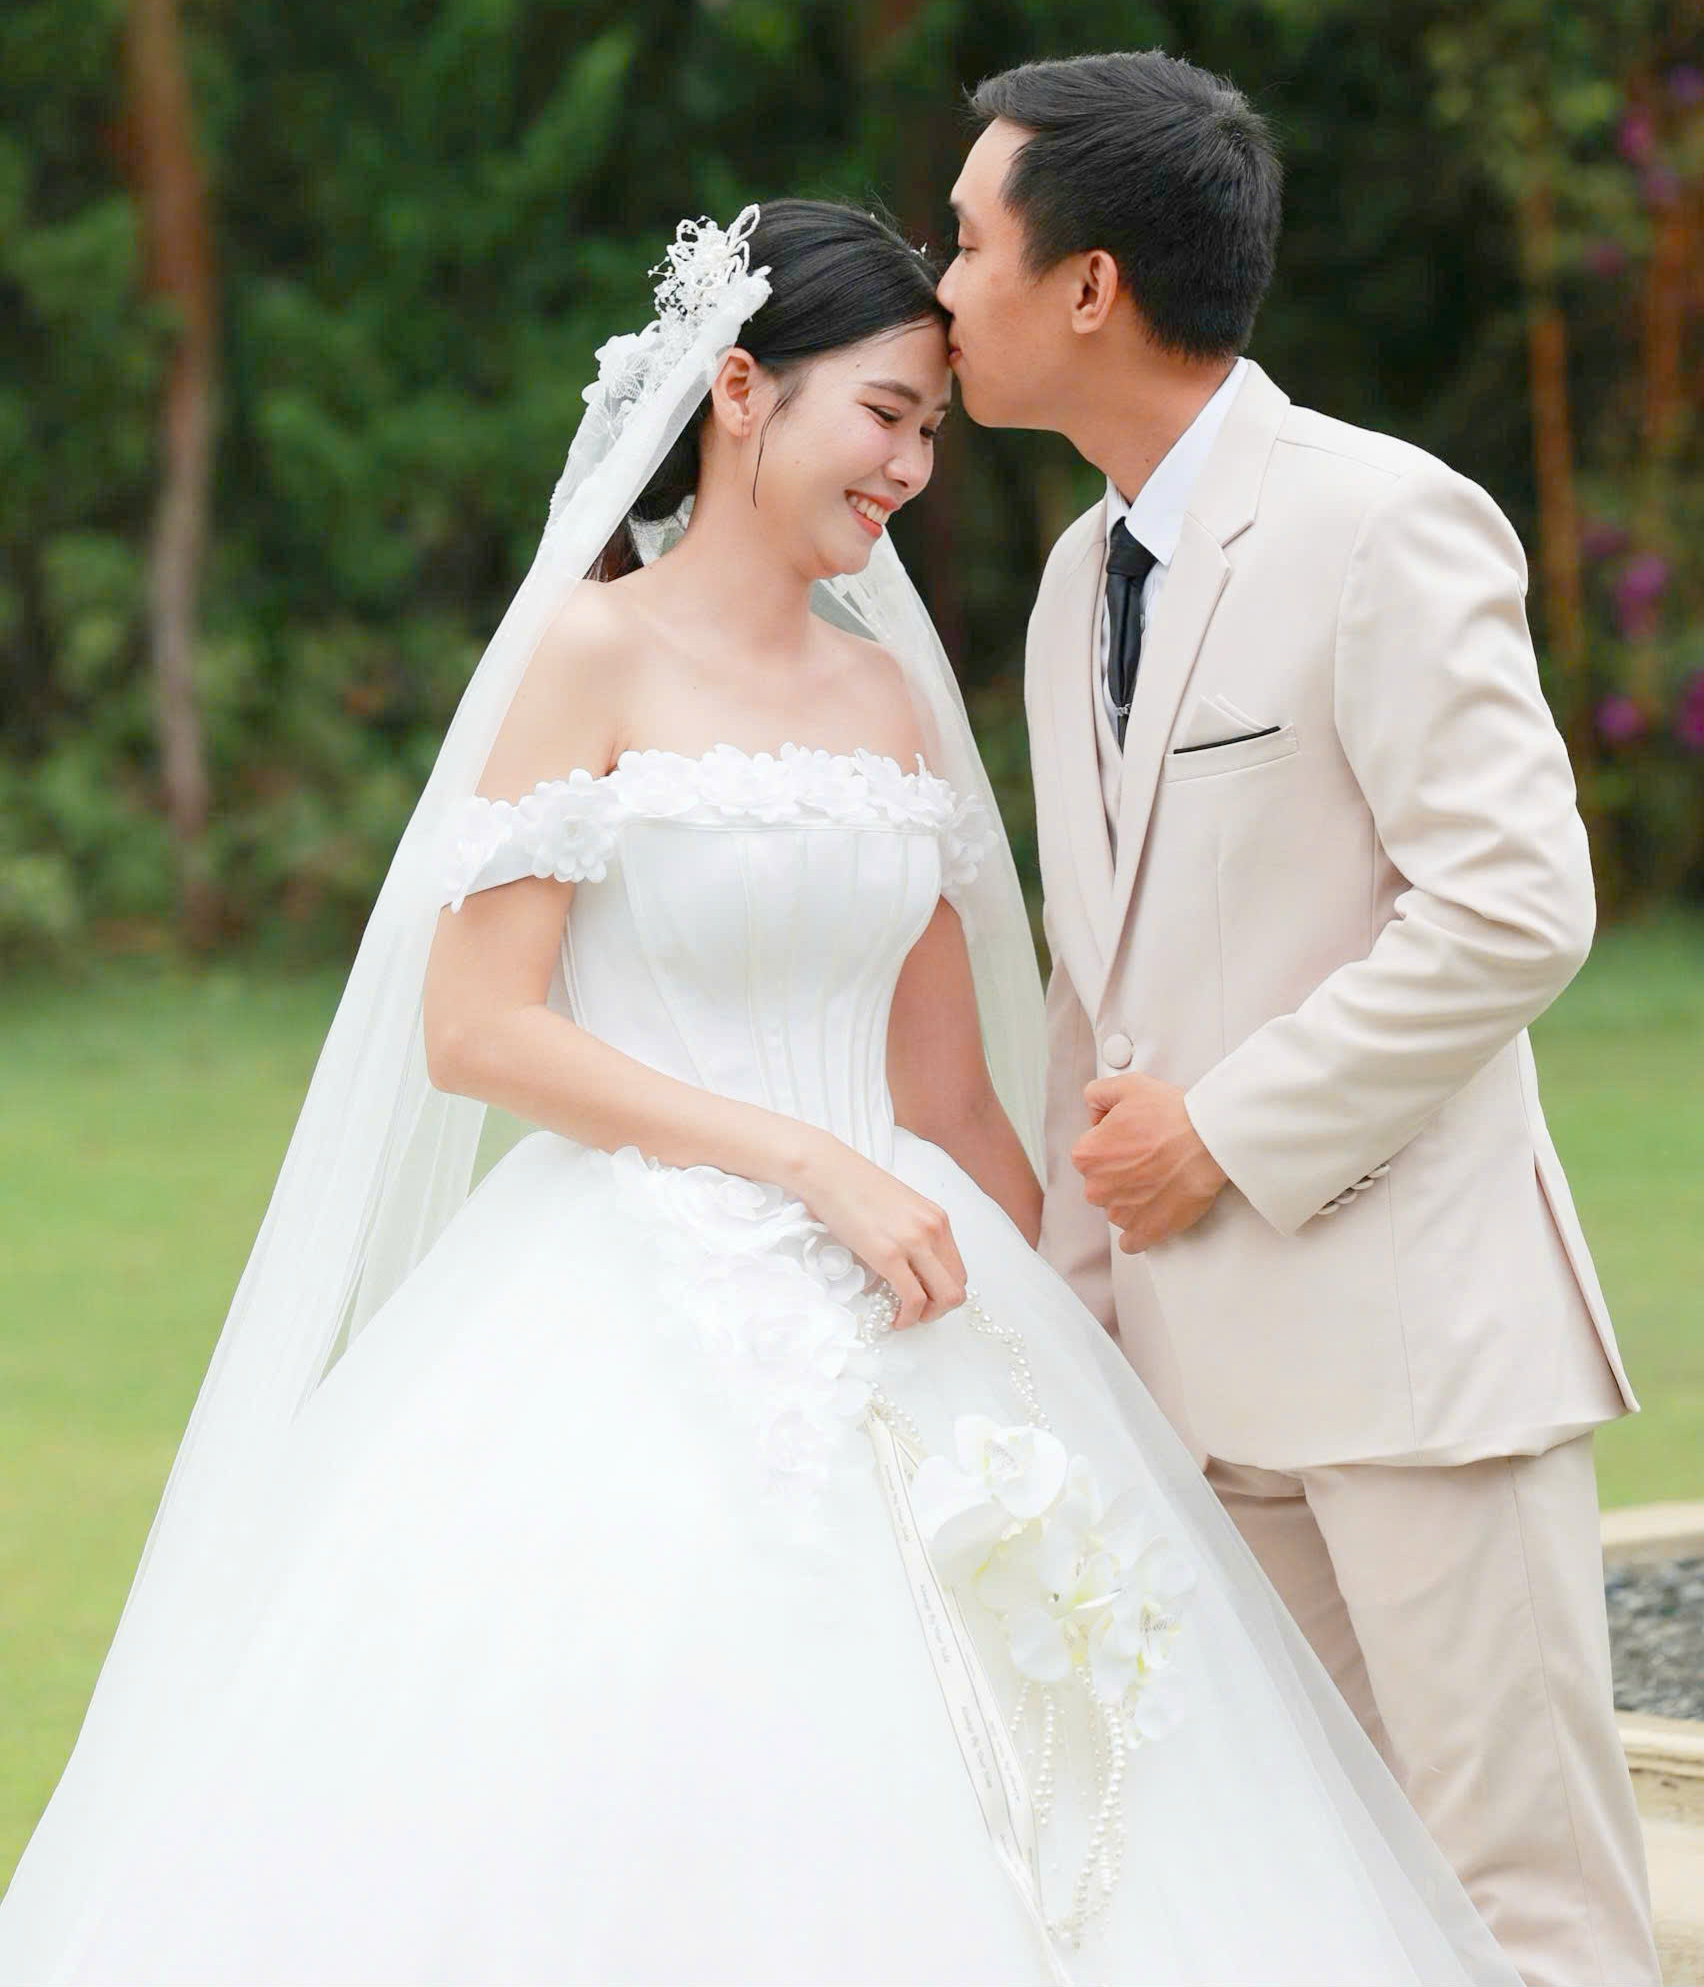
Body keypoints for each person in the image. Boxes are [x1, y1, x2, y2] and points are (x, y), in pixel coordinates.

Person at [0, 199, 1516, 1987]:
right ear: (738, 392)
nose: (910, 467)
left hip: (918, 1283)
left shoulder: (888, 700)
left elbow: (953, 1095)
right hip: (626, 1295)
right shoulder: (588, 656)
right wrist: (804, 1159)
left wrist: (1089, 1358)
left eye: (931, 429)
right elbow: (478, 1029)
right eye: (882, 414)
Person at [936, 52, 1661, 1987]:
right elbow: (1102, 983)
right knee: (1301, 1908)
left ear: (1090, 284)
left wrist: (1228, 1133)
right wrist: (1072, 1327)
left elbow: (1515, 905)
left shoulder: (1382, 520)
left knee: (1525, 1912)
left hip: (1418, 1366)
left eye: (967, 242)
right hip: (1190, 1385)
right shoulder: (1074, 576)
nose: (941, 288)